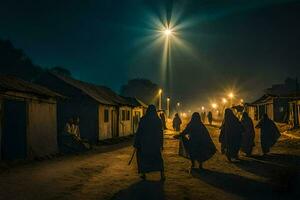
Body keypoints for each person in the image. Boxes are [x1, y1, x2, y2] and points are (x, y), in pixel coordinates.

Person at [133, 105, 165, 181]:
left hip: (145, 143)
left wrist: (136, 143)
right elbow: (160, 133)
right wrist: (161, 144)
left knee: (143, 158)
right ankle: (162, 175)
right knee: (158, 158)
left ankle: (143, 174)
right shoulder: (158, 120)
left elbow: (139, 132)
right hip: (155, 143)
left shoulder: (143, 119)